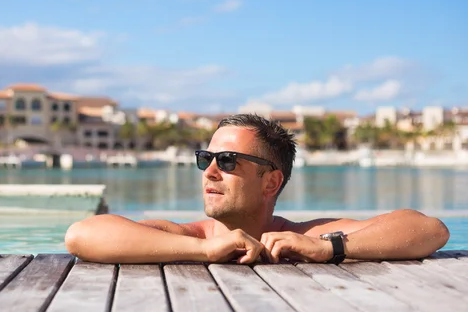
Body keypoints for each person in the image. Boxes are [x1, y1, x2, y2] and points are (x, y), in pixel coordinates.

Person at [65, 113, 450, 264]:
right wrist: (203, 250)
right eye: (206, 158)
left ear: (271, 181)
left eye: (228, 160)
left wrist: (329, 247)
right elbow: (82, 234)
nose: (210, 171)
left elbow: (429, 230)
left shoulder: (303, 236)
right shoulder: (186, 236)